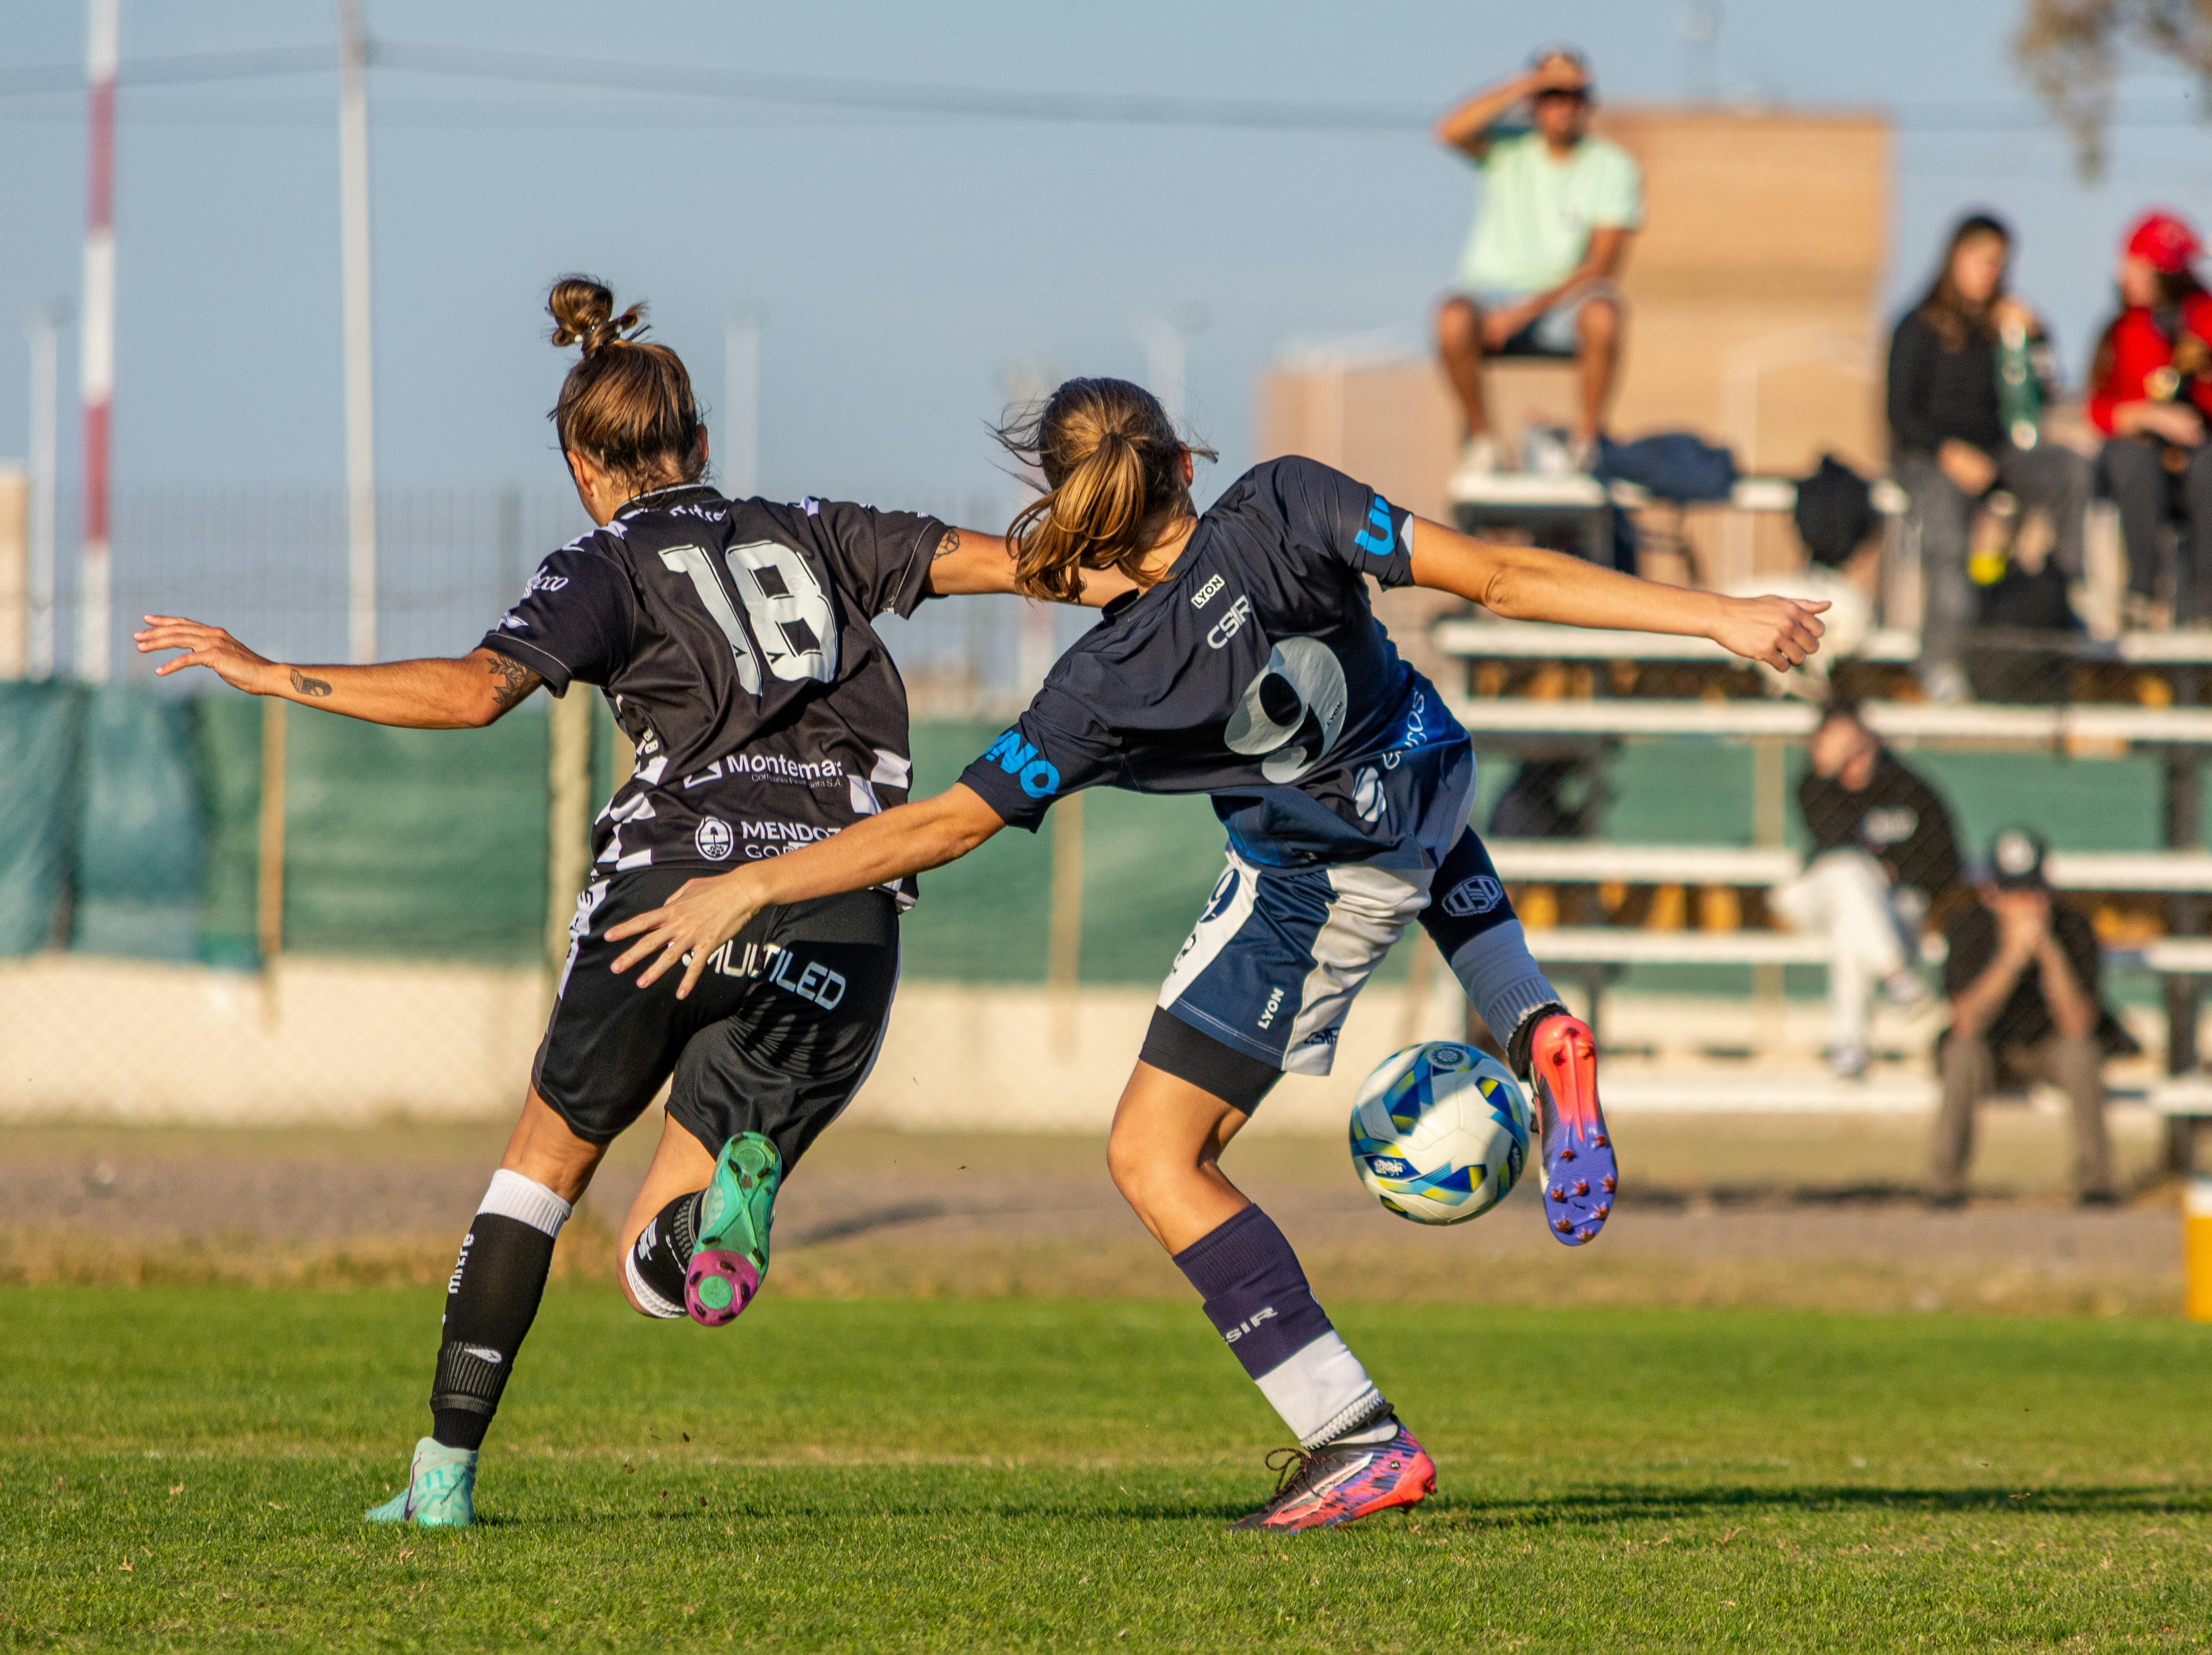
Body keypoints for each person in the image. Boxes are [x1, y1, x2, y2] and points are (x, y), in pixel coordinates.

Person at [601, 377, 1827, 1531]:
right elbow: (1500, 577)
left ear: (1078, 518)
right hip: (1427, 763)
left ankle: (1352, 1435)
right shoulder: (1287, 499)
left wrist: (751, 882)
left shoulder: (1104, 681)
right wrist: (1719, 615)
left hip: (1313, 884)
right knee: (1409, 818)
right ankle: (1529, 1017)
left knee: (1153, 1154)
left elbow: (950, 825)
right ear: (1186, 461)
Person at [132, 277, 1126, 1529]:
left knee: (539, 1180)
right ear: (701, 445)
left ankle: (441, 1478)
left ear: (581, 463)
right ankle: (727, 1194)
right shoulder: (816, 530)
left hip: (674, 902)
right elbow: (1035, 573)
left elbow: (470, 692)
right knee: (660, 1267)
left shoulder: (606, 562)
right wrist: (1179, 577)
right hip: (840, 907)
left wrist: (270, 671)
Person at [1886, 212, 2092, 703]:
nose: (1989, 271)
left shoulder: (2006, 327)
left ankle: (2068, 592)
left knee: (2069, 469)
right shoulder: (1918, 326)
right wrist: (1949, 454)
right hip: (1931, 458)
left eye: (1998, 262)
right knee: (1949, 537)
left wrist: (2034, 339)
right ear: (1955, 258)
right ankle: (1942, 660)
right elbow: (1900, 413)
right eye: (1980, 259)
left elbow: (2045, 397)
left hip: (1998, 454)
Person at [1433, 47, 1643, 477]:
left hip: (1561, 302)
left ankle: (1587, 443)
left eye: (1573, 96)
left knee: (1605, 313)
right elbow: (1449, 130)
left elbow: (1602, 265)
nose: (1563, 106)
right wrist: (1529, 81)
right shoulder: (1507, 148)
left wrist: (1523, 312)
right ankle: (1484, 442)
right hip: (1490, 295)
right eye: (1552, 96)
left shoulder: (1613, 167)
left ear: (1588, 103)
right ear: (1534, 102)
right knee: (1451, 317)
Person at [1773, 703, 1962, 1079]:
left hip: (1888, 906)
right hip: (1819, 895)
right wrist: (1827, 774)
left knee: (1853, 928)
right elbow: (1830, 838)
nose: (1853, 760)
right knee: (1849, 870)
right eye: (1841, 752)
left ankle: (1850, 1048)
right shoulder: (1815, 787)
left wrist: (1895, 874)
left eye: (1858, 748)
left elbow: (1945, 861)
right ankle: (1897, 975)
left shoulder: (1910, 788)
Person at [1932, 828, 2117, 1207]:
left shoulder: (2073, 928)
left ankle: (2096, 1183)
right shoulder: (1969, 928)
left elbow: (2079, 1025)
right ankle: (1945, 1185)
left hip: (2050, 1050)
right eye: (2012, 894)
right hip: (1990, 1051)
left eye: (2033, 893)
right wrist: (2011, 959)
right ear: (1990, 894)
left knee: (2082, 1054)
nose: (2025, 905)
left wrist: (2049, 954)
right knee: (1960, 1054)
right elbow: (1966, 1023)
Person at [2089, 211, 2212, 632]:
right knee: (2132, 463)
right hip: (2140, 450)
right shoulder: (2121, 330)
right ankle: (2142, 596)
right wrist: (2147, 415)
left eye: (2141, 270)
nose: (2128, 278)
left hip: (2204, 444)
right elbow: (2097, 409)